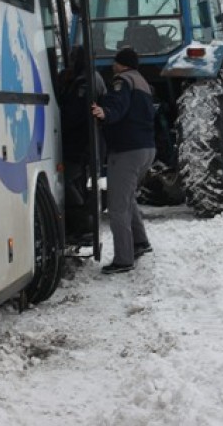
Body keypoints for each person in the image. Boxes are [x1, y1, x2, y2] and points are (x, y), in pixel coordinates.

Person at [91, 47, 156, 274]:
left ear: (121, 63)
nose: (112, 65)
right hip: (147, 149)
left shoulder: (122, 81)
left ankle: (123, 259)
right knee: (127, 197)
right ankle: (140, 242)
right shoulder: (143, 82)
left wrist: (104, 113)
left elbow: (118, 105)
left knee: (117, 206)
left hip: (127, 151)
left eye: (115, 61)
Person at [57, 46, 106, 239]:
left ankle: (83, 225)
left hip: (81, 142)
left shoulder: (86, 81)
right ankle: (82, 224)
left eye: (73, 57)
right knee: (75, 181)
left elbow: (74, 113)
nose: (69, 61)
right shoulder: (87, 77)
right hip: (84, 141)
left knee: (68, 180)